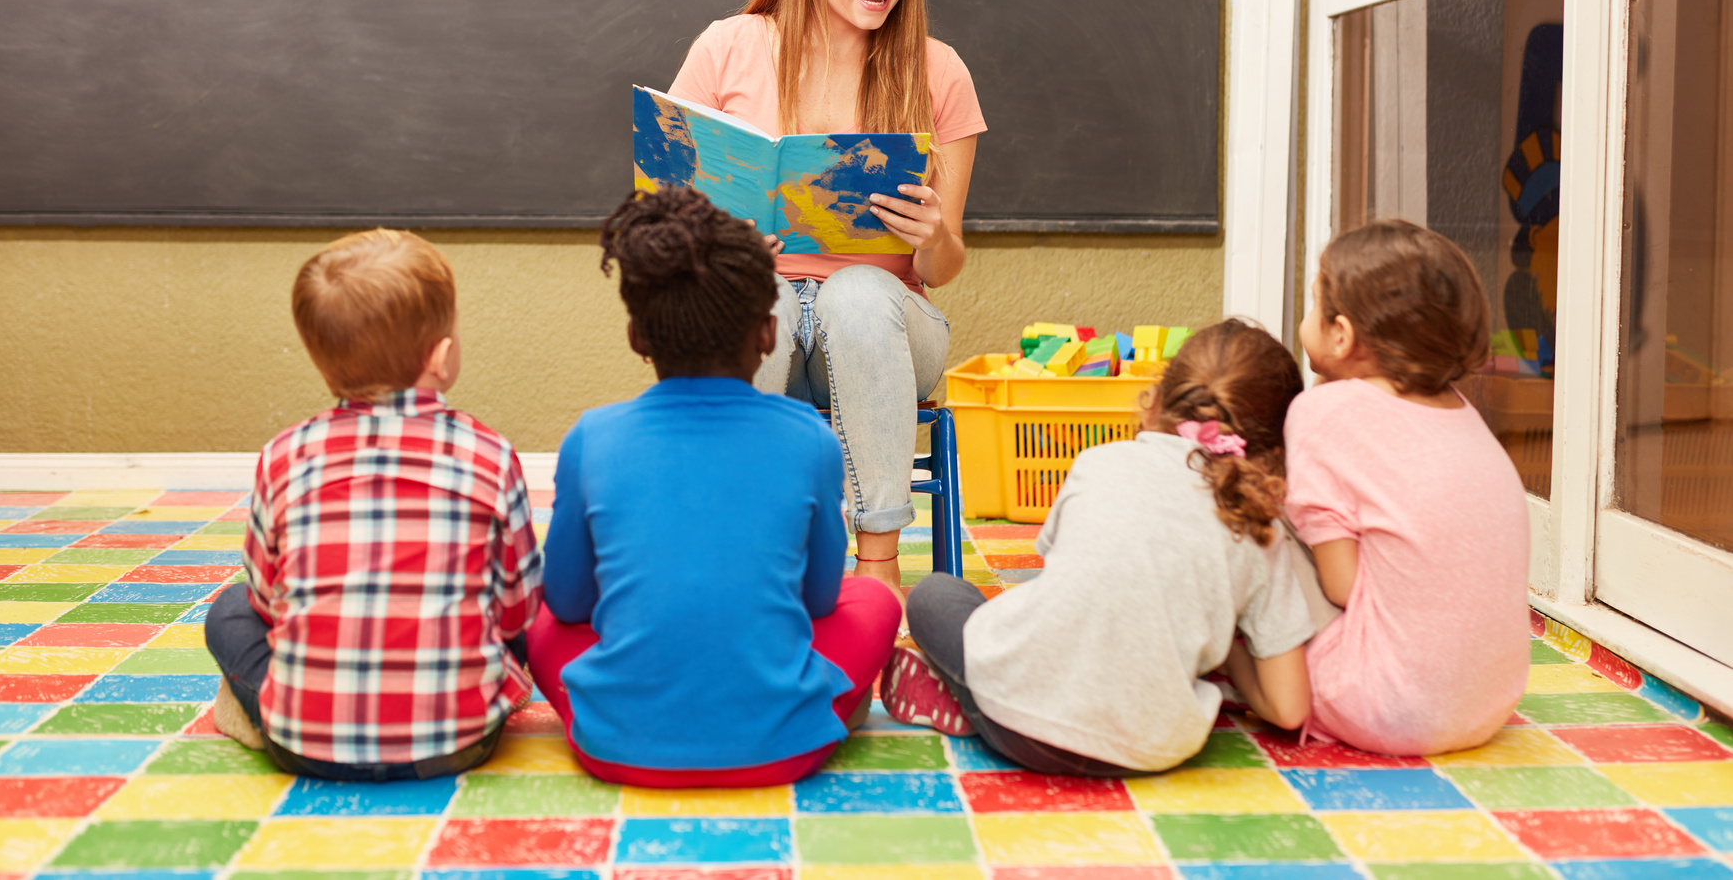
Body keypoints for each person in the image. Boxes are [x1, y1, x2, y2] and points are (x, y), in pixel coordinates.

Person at [669, 0, 987, 600]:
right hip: (761, 317)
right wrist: (722, 248)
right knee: (764, 300)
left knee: (854, 295)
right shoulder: (728, 47)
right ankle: (759, 551)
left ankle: (877, 567)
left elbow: (943, 268)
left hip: (886, 327)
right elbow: (663, 221)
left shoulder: (939, 72)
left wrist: (931, 234)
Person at [524, 186, 902, 786]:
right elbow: (819, 602)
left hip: (617, 745)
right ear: (768, 334)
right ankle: (834, 709)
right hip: (783, 747)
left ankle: (624, 705)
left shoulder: (591, 438)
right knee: (876, 598)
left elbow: (568, 605)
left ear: (636, 339)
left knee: (539, 622)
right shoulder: (811, 440)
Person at [884, 320, 1315, 775]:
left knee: (936, 593)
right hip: (1150, 751)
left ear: (1154, 402)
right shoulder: (1262, 528)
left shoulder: (1099, 462)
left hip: (1018, 727)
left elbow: (1072, 579)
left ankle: (966, 702)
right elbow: (1289, 710)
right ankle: (968, 704)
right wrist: (1226, 632)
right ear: (1274, 451)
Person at [204, 229, 543, 779]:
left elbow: (266, 604)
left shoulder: (282, 455)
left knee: (228, 611)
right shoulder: (491, 454)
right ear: (442, 356)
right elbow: (518, 611)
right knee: (526, 614)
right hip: (460, 741)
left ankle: (266, 711)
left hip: (304, 745)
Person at [1286, 218, 1529, 755]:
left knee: (1256, 527)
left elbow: (1341, 587)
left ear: (1341, 334)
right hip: (1489, 706)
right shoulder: (1463, 413)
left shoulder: (1321, 413)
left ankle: (1256, 684)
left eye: (1313, 305)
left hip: (1386, 706)